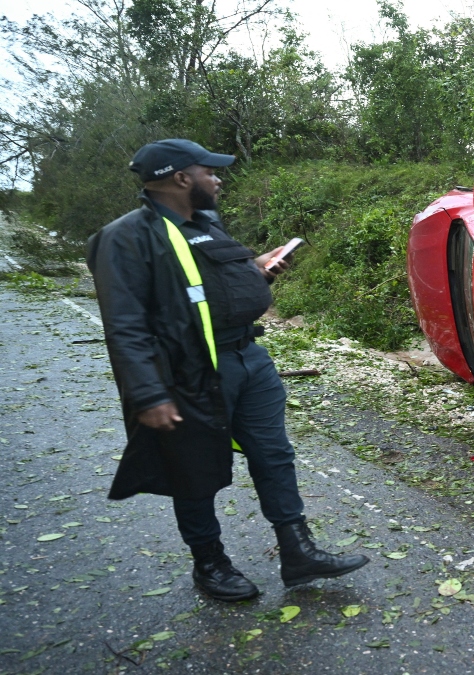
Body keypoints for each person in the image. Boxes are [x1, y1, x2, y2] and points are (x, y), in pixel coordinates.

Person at [87, 139, 368, 601]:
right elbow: (124, 323)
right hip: (187, 371)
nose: (217, 179)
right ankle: (210, 564)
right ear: (181, 178)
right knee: (191, 470)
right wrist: (148, 394)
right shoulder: (125, 237)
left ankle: (298, 552)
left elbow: (212, 281)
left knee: (274, 455)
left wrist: (258, 269)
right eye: (209, 171)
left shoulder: (205, 223)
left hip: (249, 359)